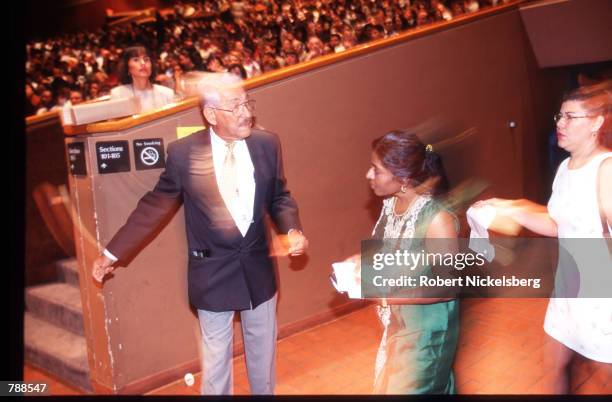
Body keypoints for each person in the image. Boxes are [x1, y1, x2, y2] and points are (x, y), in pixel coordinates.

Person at [92, 72, 308, 395]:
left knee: (263, 363)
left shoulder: (267, 144)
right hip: (212, 275)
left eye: (247, 103)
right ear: (210, 115)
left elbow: (279, 196)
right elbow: (153, 207)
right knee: (216, 366)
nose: (246, 113)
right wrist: (112, 253)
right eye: (234, 107)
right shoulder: (183, 154)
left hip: (259, 272)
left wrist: (291, 229)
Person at [473, 81, 612, 393]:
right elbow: (558, 223)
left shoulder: (607, 169)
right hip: (568, 287)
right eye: (559, 116)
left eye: (570, 117)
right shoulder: (565, 167)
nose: (560, 124)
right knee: (555, 367)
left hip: (602, 293)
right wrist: (510, 208)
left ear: (597, 122)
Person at [352, 130, 460, 394]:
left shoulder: (437, 220)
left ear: (403, 179)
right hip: (399, 326)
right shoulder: (391, 204)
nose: (368, 175)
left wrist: (388, 296)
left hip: (426, 333)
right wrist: (360, 263)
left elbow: (448, 287)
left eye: (376, 170)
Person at [110, 45, 176, 113]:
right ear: (128, 68)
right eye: (136, 60)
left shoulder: (167, 93)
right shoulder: (118, 94)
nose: (143, 63)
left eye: (146, 59)